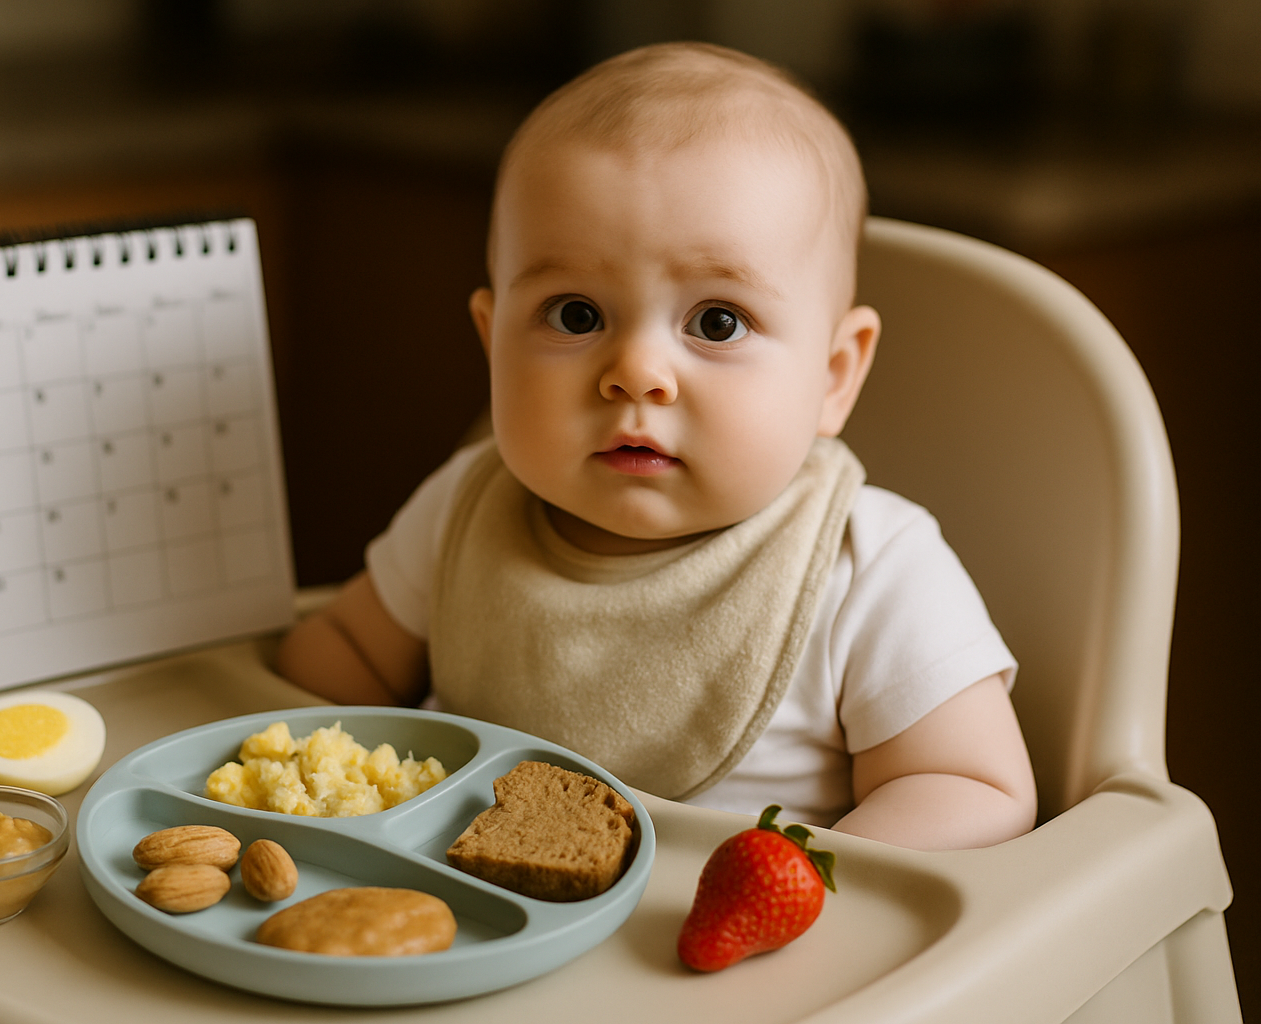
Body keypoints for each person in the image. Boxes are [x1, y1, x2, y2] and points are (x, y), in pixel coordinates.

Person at [276, 41, 1036, 851]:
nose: (636, 374)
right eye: (576, 315)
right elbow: (346, 654)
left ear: (833, 375)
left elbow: (972, 785)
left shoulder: (868, 567)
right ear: (491, 342)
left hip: (718, 955)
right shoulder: (463, 509)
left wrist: (802, 880)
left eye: (717, 322)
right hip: (473, 927)